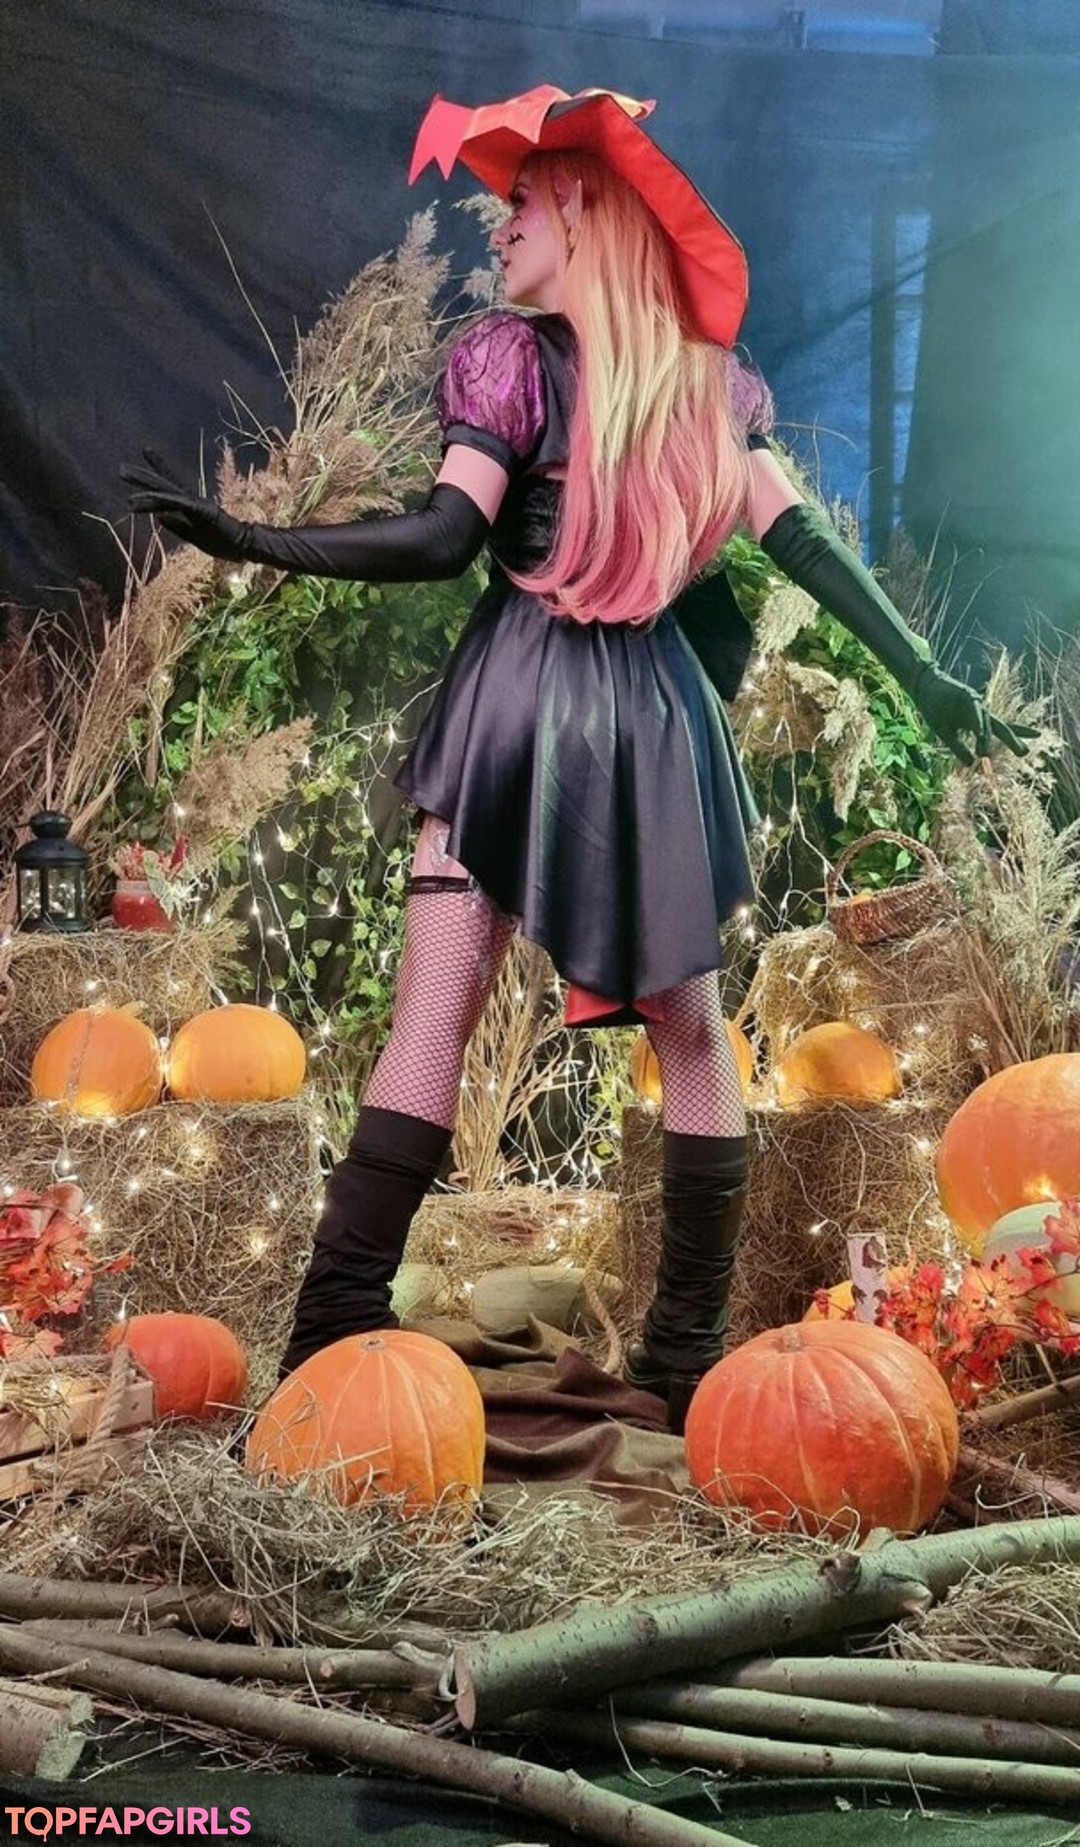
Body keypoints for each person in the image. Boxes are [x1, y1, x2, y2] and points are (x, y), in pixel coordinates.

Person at [123, 85, 1032, 1434]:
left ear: (586, 220)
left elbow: (445, 540)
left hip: (520, 702)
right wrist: (929, 676)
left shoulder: (523, 362)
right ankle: (680, 1364)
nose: (498, 228)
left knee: (442, 1014)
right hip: (651, 719)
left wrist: (260, 543)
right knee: (693, 1035)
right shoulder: (706, 387)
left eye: (522, 207)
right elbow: (808, 549)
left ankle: (332, 1340)